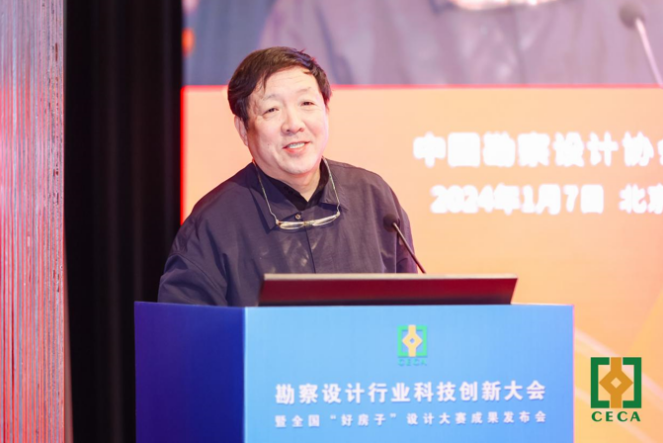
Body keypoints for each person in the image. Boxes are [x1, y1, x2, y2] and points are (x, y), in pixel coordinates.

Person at [158, 47, 417, 306]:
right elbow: (186, 328)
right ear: (243, 129)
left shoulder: (373, 197)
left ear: (326, 111)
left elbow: (410, 312)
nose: (294, 124)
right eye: (272, 109)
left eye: (307, 104)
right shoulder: (213, 223)